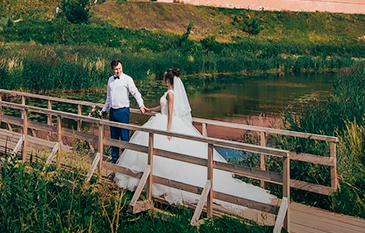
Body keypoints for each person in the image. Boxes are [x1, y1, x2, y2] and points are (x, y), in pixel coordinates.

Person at [115, 69, 275, 209]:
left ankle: (164, 184)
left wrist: (168, 130)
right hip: (162, 119)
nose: (163, 79)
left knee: (162, 155)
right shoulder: (169, 93)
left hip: (166, 123)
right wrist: (151, 109)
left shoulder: (171, 93)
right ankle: (156, 181)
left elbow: (170, 112)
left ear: (168, 80)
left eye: (164, 77)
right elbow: (164, 108)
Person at [101, 60, 146, 163]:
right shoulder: (110, 80)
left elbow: (135, 93)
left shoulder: (127, 79)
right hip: (113, 111)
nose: (118, 71)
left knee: (124, 136)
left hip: (123, 111)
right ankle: (114, 158)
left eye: (120, 69)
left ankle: (126, 160)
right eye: (116, 69)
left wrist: (141, 105)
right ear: (112, 69)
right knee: (114, 136)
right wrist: (104, 110)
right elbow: (108, 97)